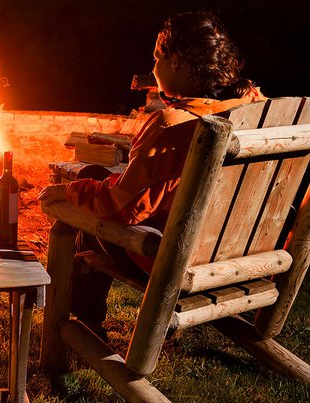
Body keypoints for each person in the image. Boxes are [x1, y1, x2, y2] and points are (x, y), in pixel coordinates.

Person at [38, 11, 265, 338]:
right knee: (95, 177)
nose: (153, 66)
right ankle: (84, 311)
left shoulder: (173, 126)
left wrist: (68, 192)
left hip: (178, 263)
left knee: (88, 191)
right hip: (241, 256)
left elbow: (122, 208)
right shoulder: (255, 106)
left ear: (176, 63)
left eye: (157, 58)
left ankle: (83, 320)